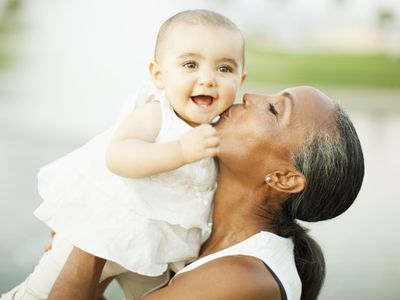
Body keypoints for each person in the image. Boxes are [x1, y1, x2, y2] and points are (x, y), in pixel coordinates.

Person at [1, 9, 247, 300]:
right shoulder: (157, 114)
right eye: (191, 64)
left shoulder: (220, 132)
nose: (208, 79)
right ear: (159, 75)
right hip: (102, 229)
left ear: (241, 79)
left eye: (224, 69)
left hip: (158, 250)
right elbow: (118, 156)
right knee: (41, 293)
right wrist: (180, 150)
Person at [47, 86, 364, 300]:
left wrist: (89, 231)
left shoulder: (240, 278)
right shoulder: (192, 233)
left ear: (283, 178)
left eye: (273, 110)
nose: (250, 95)